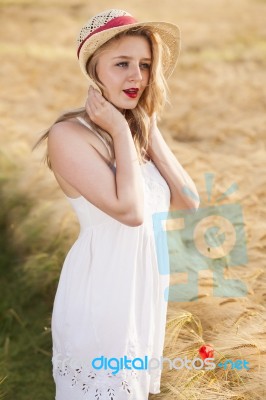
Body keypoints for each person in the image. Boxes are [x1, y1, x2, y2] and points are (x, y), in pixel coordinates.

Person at [34, 8, 200, 400]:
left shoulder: (136, 128)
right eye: (122, 63)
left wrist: (149, 127)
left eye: (145, 65)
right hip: (101, 293)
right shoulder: (69, 135)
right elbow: (131, 212)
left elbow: (189, 204)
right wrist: (122, 132)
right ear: (93, 72)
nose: (137, 77)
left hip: (141, 291)